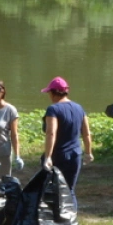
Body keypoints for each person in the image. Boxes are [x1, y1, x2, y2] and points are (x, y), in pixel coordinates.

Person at [40, 76, 93, 205]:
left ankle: (53, 221)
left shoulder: (53, 109)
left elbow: (51, 133)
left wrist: (48, 157)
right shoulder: (79, 108)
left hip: (58, 156)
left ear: (53, 93)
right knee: (70, 190)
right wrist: (88, 152)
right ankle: (71, 221)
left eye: (49, 92)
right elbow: (86, 133)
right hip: (75, 155)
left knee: (51, 190)